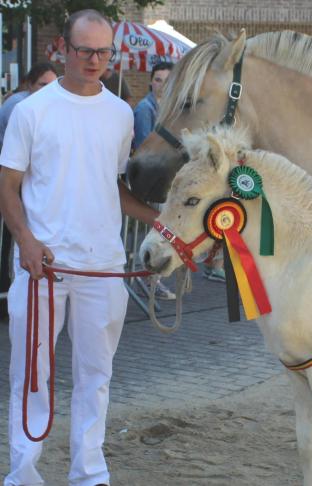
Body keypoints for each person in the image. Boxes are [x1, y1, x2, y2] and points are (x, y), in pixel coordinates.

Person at [0, 10, 159, 486]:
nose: (95, 60)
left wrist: (161, 222)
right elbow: (8, 185)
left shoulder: (121, 114)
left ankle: (89, 473)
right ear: (63, 50)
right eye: (85, 50)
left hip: (103, 267)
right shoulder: (32, 110)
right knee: (32, 376)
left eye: (103, 52)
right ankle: (23, 474)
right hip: (42, 268)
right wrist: (26, 241)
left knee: (96, 376)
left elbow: (114, 186)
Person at [130, 61, 180, 296]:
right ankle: (150, 279)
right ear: (151, 81)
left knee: (162, 229)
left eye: (166, 81)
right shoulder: (145, 108)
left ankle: (154, 278)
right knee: (156, 230)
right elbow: (145, 146)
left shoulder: (168, 108)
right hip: (153, 179)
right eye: (158, 80)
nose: (161, 85)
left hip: (167, 178)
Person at [0, 63, 58, 153]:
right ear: (30, 85)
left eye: (53, 85)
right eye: (43, 84)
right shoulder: (18, 104)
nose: (49, 89)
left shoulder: (45, 104)